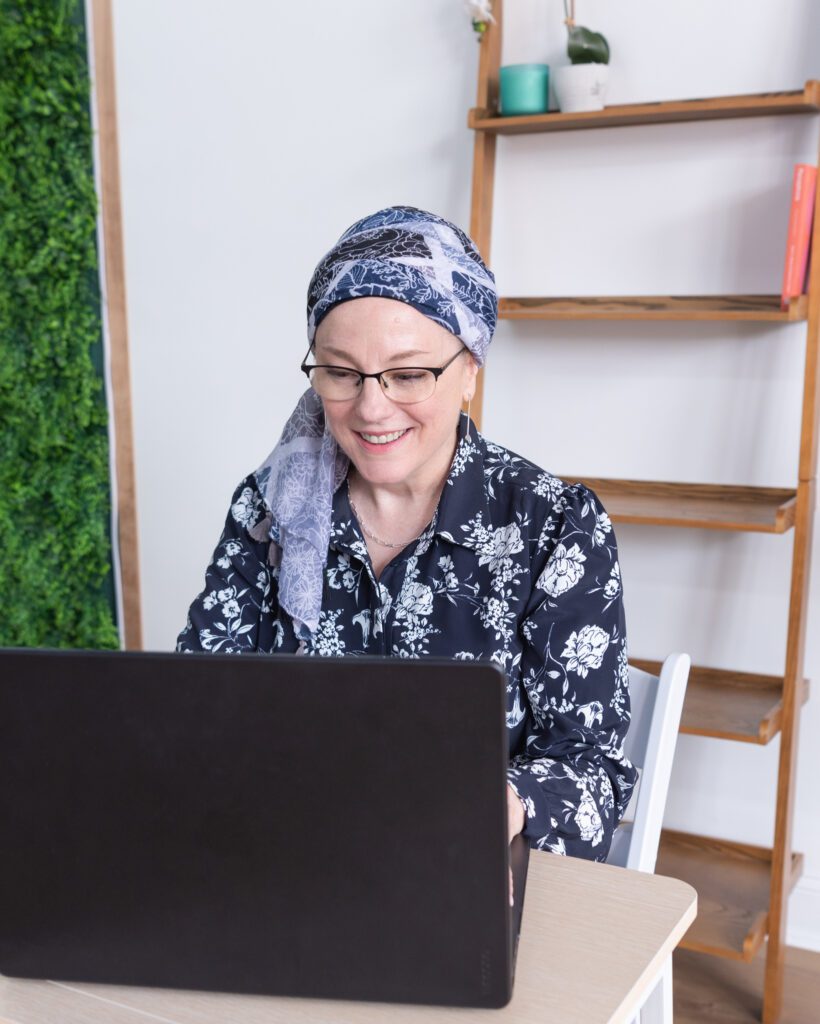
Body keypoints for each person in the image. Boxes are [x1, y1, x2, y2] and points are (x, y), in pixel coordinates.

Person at [177, 205, 637, 870]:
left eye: (409, 374)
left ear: (470, 368)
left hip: (466, 876)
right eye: (341, 372)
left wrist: (502, 804)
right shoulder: (267, 509)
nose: (371, 407)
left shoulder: (554, 527)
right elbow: (194, 708)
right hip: (285, 865)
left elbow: (592, 775)